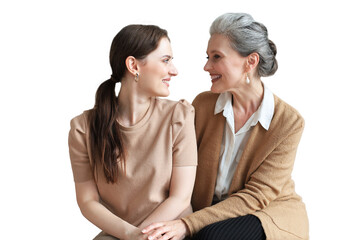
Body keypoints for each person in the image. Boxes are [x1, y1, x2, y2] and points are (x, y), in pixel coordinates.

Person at [142, 13, 309, 240]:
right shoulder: (203, 104)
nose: (206, 66)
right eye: (208, 57)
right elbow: (174, 163)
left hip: (265, 213)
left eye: (216, 57)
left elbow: (256, 196)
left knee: (210, 237)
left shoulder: (288, 122)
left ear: (250, 62)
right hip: (208, 211)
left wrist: (186, 224)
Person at [68, 24, 197, 240]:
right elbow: (87, 201)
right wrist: (130, 235)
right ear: (133, 65)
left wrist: (142, 236)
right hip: (121, 234)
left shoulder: (179, 116)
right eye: (166, 60)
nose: (174, 70)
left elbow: (181, 198)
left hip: (169, 230)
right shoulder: (82, 129)